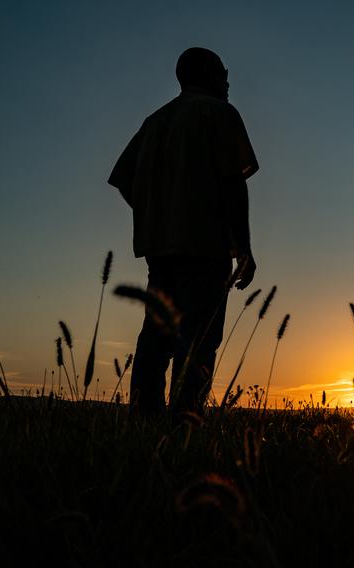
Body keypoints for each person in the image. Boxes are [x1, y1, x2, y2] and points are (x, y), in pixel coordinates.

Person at [108, 47, 258, 417]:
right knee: (199, 341)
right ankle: (184, 428)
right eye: (223, 73)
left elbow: (124, 178)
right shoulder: (219, 113)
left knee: (156, 338)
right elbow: (233, 183)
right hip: (206, 247)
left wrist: (160, 213)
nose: (227, 82)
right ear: (207, 74)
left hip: (161, 251)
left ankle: (144, 424)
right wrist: (243, 247)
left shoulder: (155, 121)